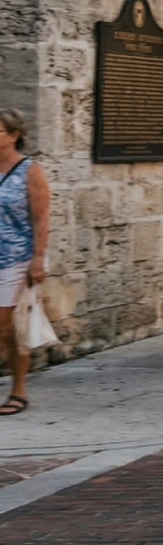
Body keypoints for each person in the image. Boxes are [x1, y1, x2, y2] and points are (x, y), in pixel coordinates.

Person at [0, 110, 49, 416]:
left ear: (13, 134)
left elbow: (41, 217)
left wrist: (38, 259)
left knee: (6, 326)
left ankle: (18, 389)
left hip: (15, 258)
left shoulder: (29, 170)